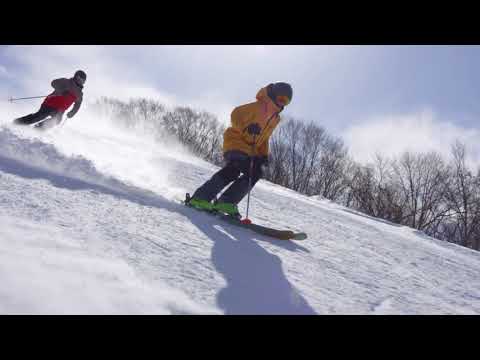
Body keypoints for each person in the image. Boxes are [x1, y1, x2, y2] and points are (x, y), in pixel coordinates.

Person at [187, 82, 293, 218]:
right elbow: (236, 114)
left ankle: (226, 202)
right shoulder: (259, 106)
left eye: (286, 102)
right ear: (273, 94)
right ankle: (201, 198)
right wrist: (247, 127)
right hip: (236, 141)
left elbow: (264, 138)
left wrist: (264, 155)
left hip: (249, 149)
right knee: (236, 167)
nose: (281, 104)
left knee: (255, 172)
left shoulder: (275, 119)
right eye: (280, 99)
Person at [13, 70, 86, 130]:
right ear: (76, 77)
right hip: (50, 103)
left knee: (56, 121)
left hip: (60, 110)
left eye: (83, 80)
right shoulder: (66, 81)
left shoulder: (79, 94)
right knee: (40, 116)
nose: (81, 81)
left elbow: (78, 104)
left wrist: (73, 112)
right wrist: (62, 90)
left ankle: (38, 129)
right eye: (80, 78)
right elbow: (54, 82)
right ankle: (17, 122)